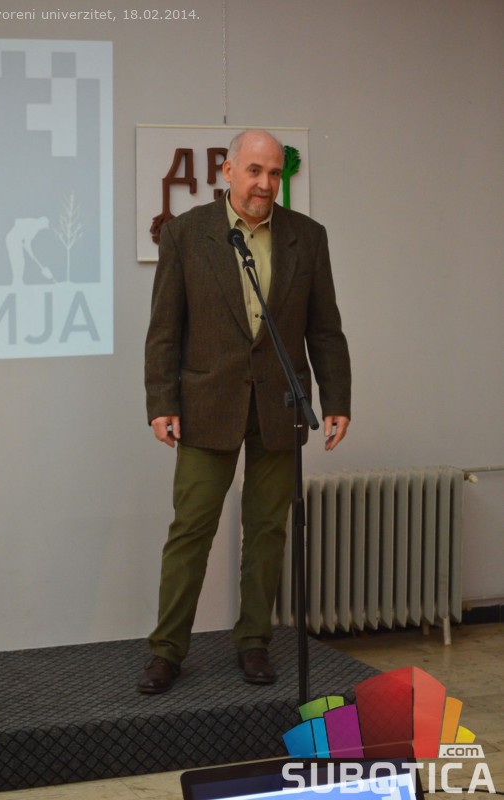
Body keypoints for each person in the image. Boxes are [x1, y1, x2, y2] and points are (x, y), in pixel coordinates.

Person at [139, 130, 351, 694]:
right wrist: (161, 402)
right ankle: (166, 651)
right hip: (207, 404)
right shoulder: (187, 234)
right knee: (191, 530)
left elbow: (325, 329)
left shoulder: (307, 237)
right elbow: (164, 329)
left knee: (266, 530)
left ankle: (254, 641)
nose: (265, 184)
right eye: (255, 171)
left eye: (275, 173)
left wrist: (336, 399)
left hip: (281, 404)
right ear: (228, 171)